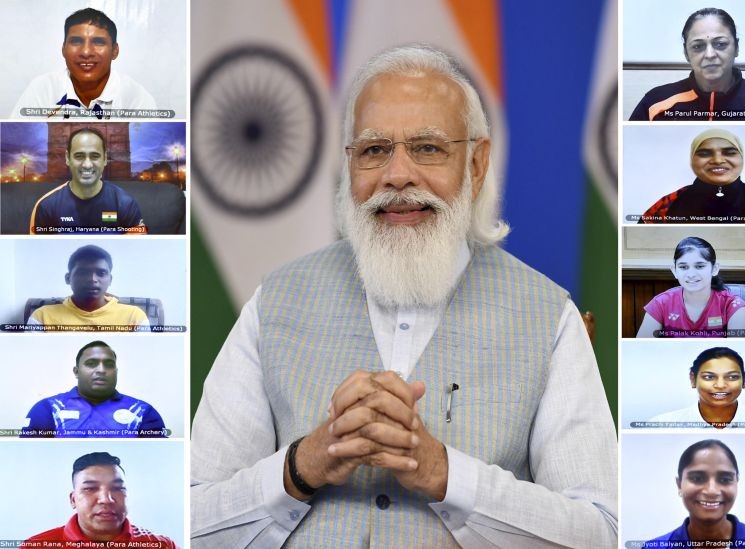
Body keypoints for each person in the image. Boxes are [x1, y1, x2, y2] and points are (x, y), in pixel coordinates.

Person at [191, 45, 617, 548]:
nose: (397, 175)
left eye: (428, 148)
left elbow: (600, 532)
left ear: (476, 165)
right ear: (349, 164)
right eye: (374, 150)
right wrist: (304, 464)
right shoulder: (276, 300)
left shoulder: (547, 316)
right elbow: (191, 520)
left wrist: (445, 474)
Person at [629, 8, 745, 121]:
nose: (709, 54)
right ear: (686, 53)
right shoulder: (656, 103)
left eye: (720, 44)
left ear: (736, 48)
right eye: (698, 46)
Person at [11, 8, 156, 119]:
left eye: (98, 42)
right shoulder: (43, 89)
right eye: (76, 41)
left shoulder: (136, 98)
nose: (86, 52)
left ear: (114, 51)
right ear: (63, 49)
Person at [639, 129, 745, 224]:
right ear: (691, 159)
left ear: (742, 158)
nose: (717, 160)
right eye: (704, 153)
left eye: (729, 152)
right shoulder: (666, 206)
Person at [646, 440, 745, 546]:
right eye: (697, 478)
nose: (711, 490)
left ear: (736, 482)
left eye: (724, 479)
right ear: (679, 484)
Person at [22, 452, 179, 546]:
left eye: (117, 488)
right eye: (90, 488)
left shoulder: (161, 545)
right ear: (72, 499)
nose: (106, 499)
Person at [21, 340, 167, 437]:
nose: (101, 370)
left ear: (116, 371)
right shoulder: (48, 408)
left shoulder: (142, 411)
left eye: (109, 365)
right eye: (91, 363)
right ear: (76, 372)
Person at [30, 127, 147, 234]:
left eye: (95, 156)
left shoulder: (125, 204)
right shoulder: (46, 206)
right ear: (67, 158)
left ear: (105, 159)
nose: (87, 165)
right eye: (79, 156)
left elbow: (139, 252)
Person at [648, 347, 745, 428]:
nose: (720, 385)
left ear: (744, 381)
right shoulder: (661, 425)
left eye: (732, 377)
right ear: (693, 379)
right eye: (709, 377)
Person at [636, 237, 745, 338]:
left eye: (699, 266)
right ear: (674, 271)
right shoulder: (660, 303)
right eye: (683, 267)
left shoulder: (733, 305)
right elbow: (640, 349)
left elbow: (734, 352)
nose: (691, 274)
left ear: (714, 269)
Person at [27, 244, 150, 329]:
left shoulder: (134, 317)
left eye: (101, 273)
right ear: (68, 278)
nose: (92, 279)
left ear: (110, 280)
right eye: (83, 273)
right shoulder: (42, 317)